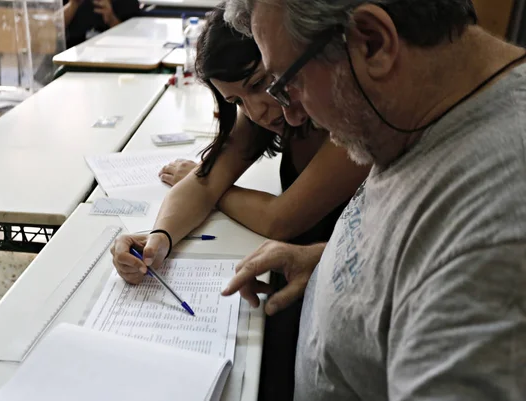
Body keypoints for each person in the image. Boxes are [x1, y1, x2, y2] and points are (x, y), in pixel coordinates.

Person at [221, 0, 526, 399]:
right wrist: (323, 260)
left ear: (372, 43)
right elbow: (417, 245)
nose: (293, 117)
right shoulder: (418, 114)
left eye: (287, 83)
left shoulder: (494, 234)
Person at [111, 6, 369, 401]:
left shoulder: (345, 124)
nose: (258, 110)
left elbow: (281, 220)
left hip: (344, 297)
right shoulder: (267, 112)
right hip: (303, 274)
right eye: (237, 100)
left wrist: (216, 190)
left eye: (261, 83)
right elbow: (202, 184)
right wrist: (160, 238)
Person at [63, 0, 140, 48]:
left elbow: (134, 41)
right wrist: (73, 5)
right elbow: (54, 29)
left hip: (114, 55)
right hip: (73, 57)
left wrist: (111, 19)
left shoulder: (128, 3)